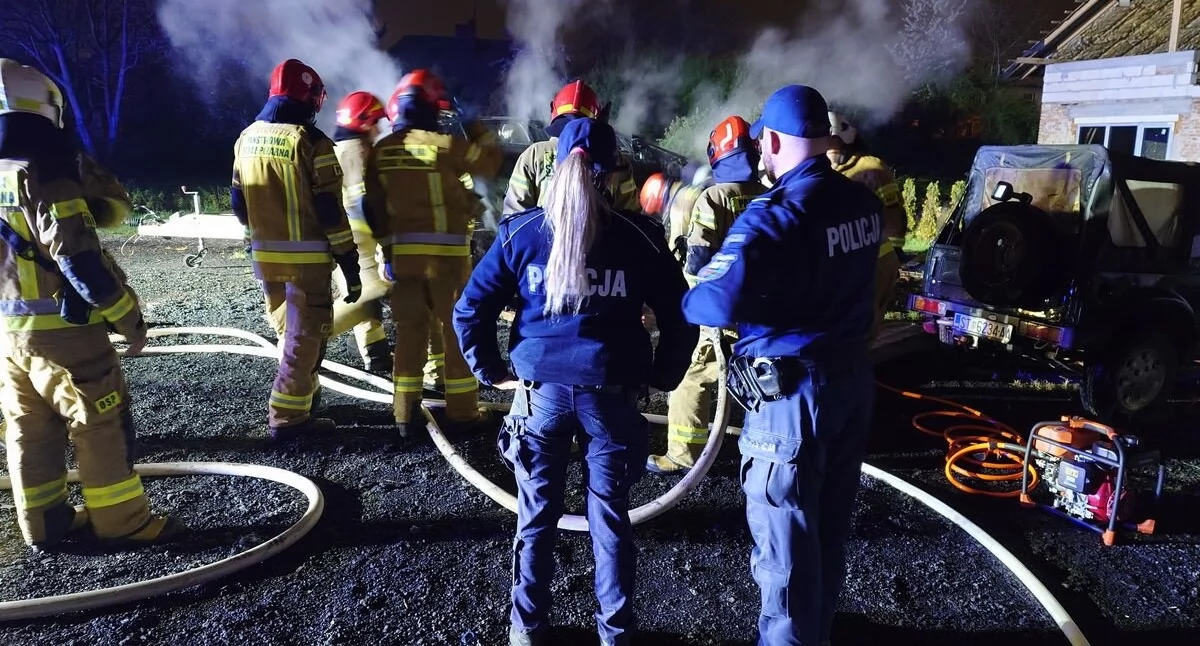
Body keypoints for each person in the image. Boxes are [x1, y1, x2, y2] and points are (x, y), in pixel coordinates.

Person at [454, 117, 696, 646]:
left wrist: (491, 371)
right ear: (613, 173)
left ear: (558, 165)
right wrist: (663, 375)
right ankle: (616, 634)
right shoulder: (638, 236)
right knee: (609, 519)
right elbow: (681, 315)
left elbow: (470, 309)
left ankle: (527, 630)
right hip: (611, 395)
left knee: (536, 516)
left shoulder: (521, 233)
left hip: (538, 397)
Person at [682, 85, 883, 646]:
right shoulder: (862, 205)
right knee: (826, 537)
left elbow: (710, 301)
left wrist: (701, 285)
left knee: (786, 559)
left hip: (792, 400)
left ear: (770, 141)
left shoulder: (774, 214)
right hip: (850, 384)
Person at [0, 58, 179, 548]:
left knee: (28, 428)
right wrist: (128, 318)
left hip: (8, 338)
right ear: (45, 111)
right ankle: (125, 522)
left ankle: (44, 523)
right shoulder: (44, 173)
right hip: (64, 336)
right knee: (99, 421)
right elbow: (78, 258)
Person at [361, 69, 501, 437]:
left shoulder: (381, 150)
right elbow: (489, 161)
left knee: (409, 335)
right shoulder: (443, 144)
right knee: (455, 333)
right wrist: (472, 121)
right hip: (446, 260)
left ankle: (404, 415)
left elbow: (370, 207)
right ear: (428, 107)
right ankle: (463, 413)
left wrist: (388, 249)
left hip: (402, 260)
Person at [232, 58, 361, 440]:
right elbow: (329, 210)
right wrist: (349, 260)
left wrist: (256, 241)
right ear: (311, 97)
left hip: (265, 259)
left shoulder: (246, 137)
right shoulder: (311, 142)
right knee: (305, 339)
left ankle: (305, 399)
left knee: (288, 333)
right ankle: (288, 419)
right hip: (306, 263)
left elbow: (239, 203)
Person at [647, 115, 767, 475]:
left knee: (693, 375)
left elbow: (699, 260)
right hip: (760, 309)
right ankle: (763, 443)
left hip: (719, 309)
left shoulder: (714, 197)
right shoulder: (766, 194)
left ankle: (683, 454)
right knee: (759, 376)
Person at [503, 80, 639, 214]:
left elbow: (514, 214)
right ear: (598, 117)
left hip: (539, 229)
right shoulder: (617, 161)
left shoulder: (533, 155)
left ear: (553, 109)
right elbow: (631, 216)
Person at [329, 90, 393, 373]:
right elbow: (362, 202)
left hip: (341, 236)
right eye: (376, 121)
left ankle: (376, 354)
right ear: (364, 121)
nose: (379, 129)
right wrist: (385, 240)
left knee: (357, 292)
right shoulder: (357, 150)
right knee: (372, 294)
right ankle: (304, 338)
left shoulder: (337, 148)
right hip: (359, 237)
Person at [827, 111, 906, 339]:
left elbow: (894, 217)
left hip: (874, 262)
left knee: (860, 330)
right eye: (827, 145)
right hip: (848, 264)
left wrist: (894, 253)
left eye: (834, 144)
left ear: (847, 139)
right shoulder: (826, 172)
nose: (830, 152)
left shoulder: (871, 168)